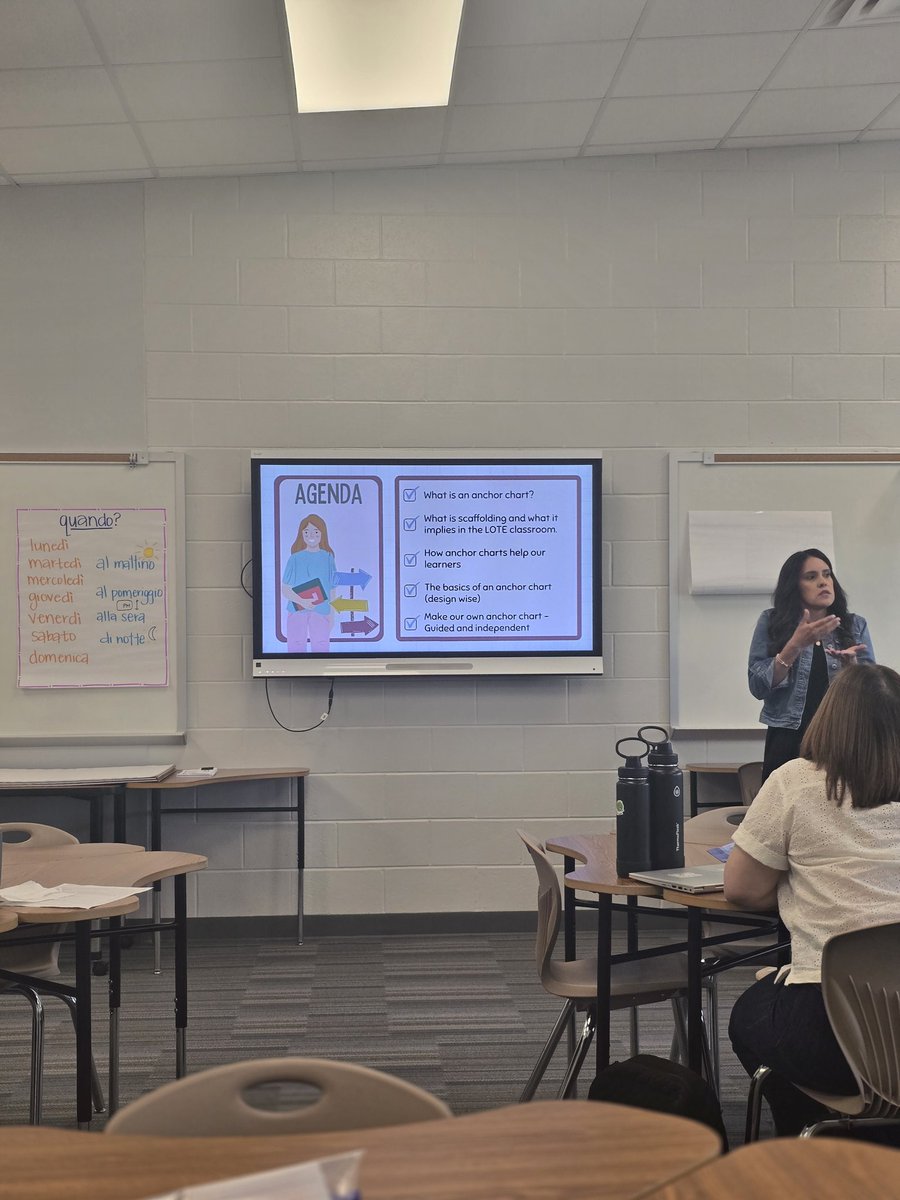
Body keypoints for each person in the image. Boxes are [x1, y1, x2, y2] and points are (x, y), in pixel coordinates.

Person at [725, 664, 900, 1136]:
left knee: (747, 1018)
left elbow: (742, 889)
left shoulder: (795, 782)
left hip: (832, 1035)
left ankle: (811, 1136)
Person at [747, 548, 874, 782]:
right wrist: (793, 645)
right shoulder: (772, 622)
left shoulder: (854, 626)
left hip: (841, 738)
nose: (823, 582)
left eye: (827, 575)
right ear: (794, 586)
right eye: (811, 577)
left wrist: (852, 668)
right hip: (788, 739)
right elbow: (757, 686)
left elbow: (872, 699)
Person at [281, 514, 336, 653]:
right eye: (306, 531)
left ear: (322, 534)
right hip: (297, 611)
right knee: (295, 648)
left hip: (321, 611)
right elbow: (285, 589)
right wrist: (302, 602)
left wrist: (332, 615)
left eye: (316, 531)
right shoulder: (294, 559)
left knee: (321, 648)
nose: (311, 535)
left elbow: (332, 589)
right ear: (301, 534)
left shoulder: (328, 558)